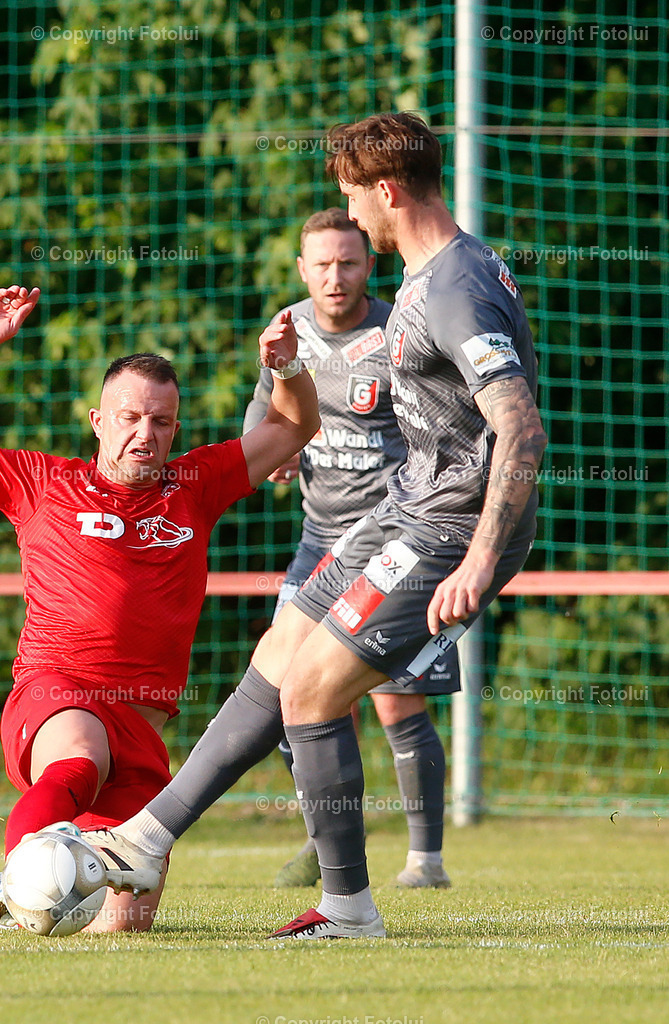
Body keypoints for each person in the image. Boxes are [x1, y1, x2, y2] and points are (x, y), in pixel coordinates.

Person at [80, 111, 547, 939]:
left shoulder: (456, 287)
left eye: (352, 200)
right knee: (280, 654)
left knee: (314, 691)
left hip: (445, 529)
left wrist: (477, 560)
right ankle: (144, 839)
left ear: (387, 190)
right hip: (403, 507)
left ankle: (348, 908)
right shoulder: (433, 270)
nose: (351, 216)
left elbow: (520, 426)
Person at [0, 284, 319, 932]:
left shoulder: (195, 486)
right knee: (78, 758)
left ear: (176, 427)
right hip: (57, 693)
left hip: (141, 727)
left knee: (124, 924)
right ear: (98, 420)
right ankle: (8, 885)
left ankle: (7, 906)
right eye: (129, 417)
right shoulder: (43, 483)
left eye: (161, 421)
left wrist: (286, 367)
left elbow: (293, 425)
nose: (145, 434)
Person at [243, 207, 456, 891]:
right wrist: (264, 449)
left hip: (397, 544)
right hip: (319, 547)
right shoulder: (289, 328)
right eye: (323, 264)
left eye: (349, 262)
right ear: (303, 270)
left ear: (369, 265)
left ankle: (426, 861)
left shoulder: (398, 330)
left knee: (398, 701)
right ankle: (328, 835)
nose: (336, 277)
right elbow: (264, 407)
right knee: (282, 691)